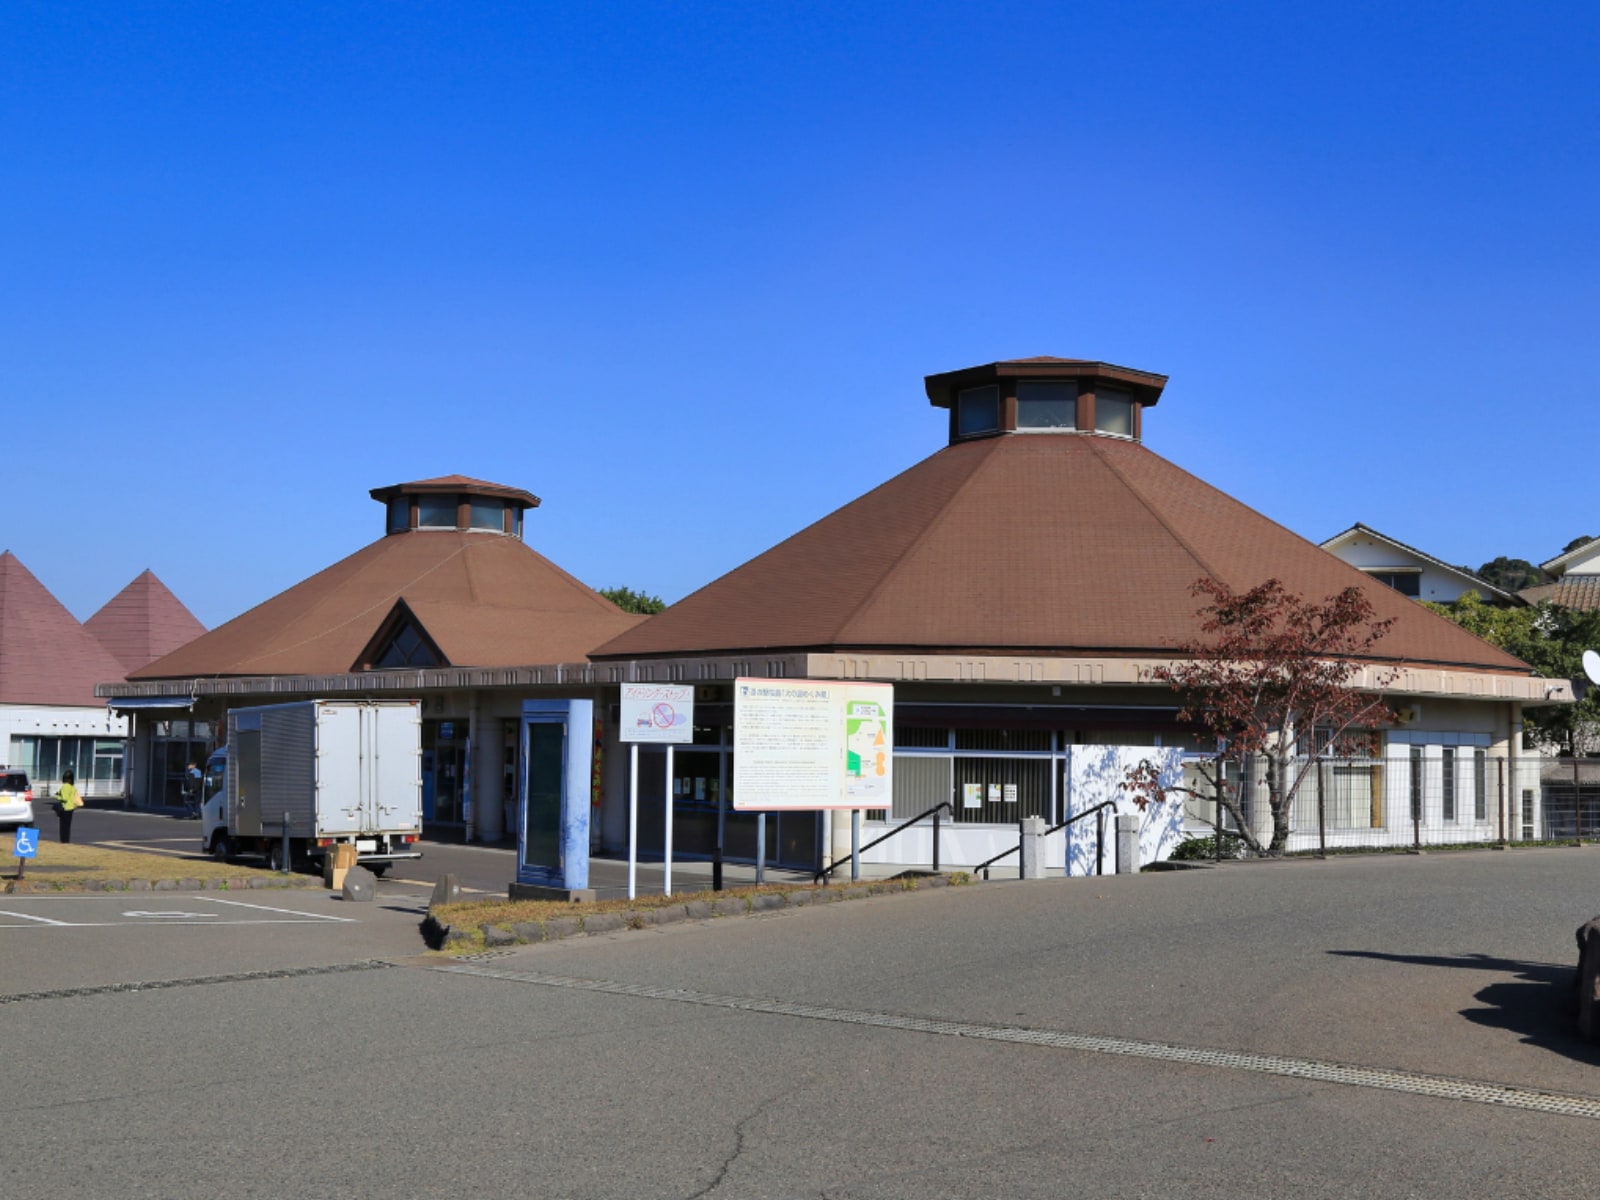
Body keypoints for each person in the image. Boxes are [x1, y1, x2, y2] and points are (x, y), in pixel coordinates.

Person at [55, 769, 83, 844]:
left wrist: (57, 796)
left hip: (64, 808)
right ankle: (67, 841)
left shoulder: (64, 786)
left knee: (62, 827)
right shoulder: (73, 788)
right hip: (71, 809)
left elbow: (65, 798)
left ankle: (63, 840)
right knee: (68, 826)